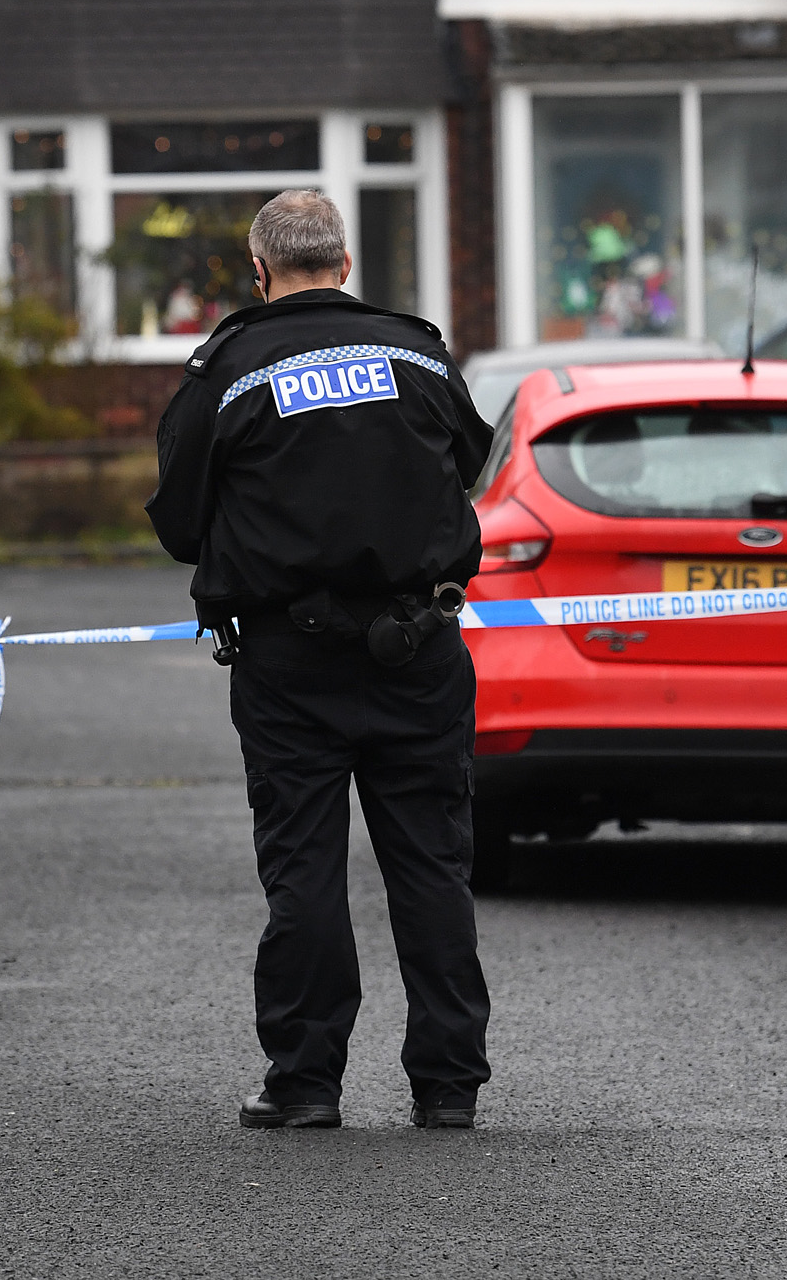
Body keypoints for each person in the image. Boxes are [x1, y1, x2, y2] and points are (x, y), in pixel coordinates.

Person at [145, 188, 495, 1131]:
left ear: (258, 271)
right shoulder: (416, 353)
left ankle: (304, 1084)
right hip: (419, 647)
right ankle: (448, 1086)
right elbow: (471, 462)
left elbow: (179, 521)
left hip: (288, 658)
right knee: (431, 866)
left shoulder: (229, 367)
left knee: (302, 869)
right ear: (344, 265)